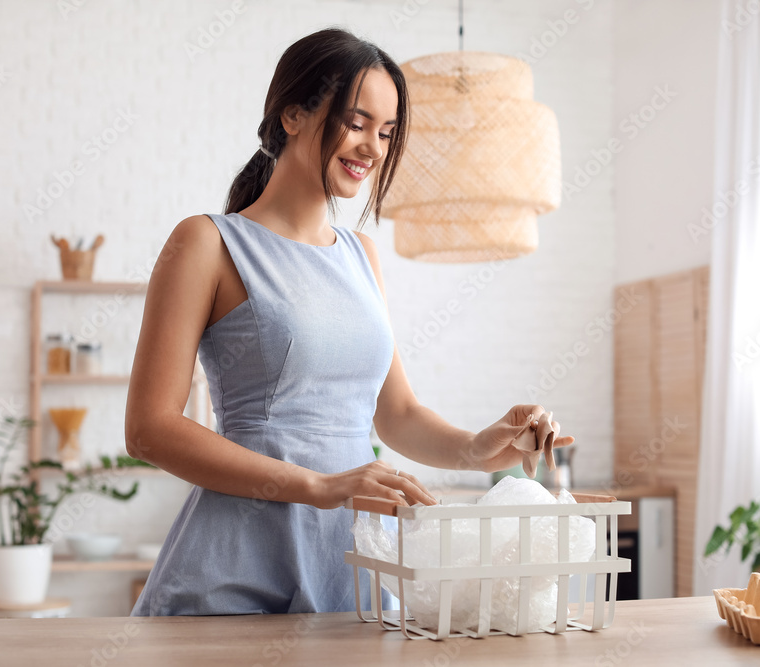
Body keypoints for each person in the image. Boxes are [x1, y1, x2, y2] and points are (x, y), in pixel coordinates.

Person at [125, 26, 575, 617]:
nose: (372, 147)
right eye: (357, 122)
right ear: (292, 114)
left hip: (352, 565)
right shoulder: (206, 242)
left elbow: (397, 415)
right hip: (234, 568)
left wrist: (474, 447)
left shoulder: (361, 255)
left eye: (387, 133)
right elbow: (149, 428)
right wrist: (320, 486)